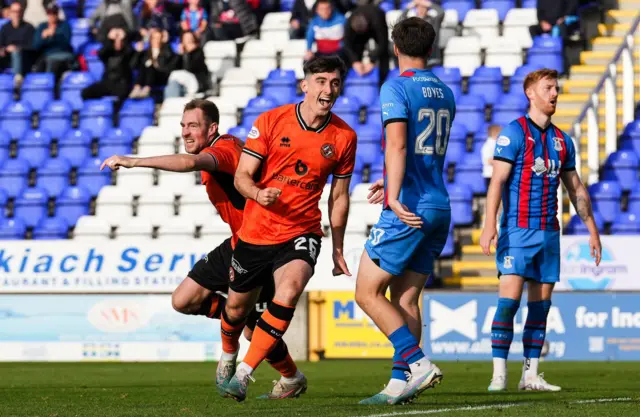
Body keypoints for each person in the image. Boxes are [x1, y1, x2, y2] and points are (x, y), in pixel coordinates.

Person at [100, 99, 305, 400]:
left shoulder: (221, 151)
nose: (185, 132)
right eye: (183, 126)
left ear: (212, 128)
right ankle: (239, 322)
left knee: (251, 331)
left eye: (193, 125)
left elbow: (190, 163)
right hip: (238, 241)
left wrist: (134, 161)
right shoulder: (222, 146)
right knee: (184, 299)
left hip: (260, 247)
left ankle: (291, 377)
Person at [218, 55, 357, 402]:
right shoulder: (270, 121)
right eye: (322, 81)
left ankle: (244, 374)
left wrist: (337, 247)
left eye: (335, 82)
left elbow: (339, 197)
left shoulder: (344, 137)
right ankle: (231, 354)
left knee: (290, 287)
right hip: (256, 232)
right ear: (305, 85)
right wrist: (258, 194)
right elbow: (241, 177)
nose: (329, 89)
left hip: (302, 230)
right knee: (236, 311)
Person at [479, 68, 602, 392]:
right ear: (530, 93)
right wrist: (489, 223)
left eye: (557, 88)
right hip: (517, 231)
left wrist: (591, 229)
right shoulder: (514, 133)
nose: (555, 93)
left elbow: (575, 189)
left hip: (549, 233)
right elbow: (497, 182)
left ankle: (530, 375)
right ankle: (499, 374)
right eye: (548, 87)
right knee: (509, 302)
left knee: (541, 307)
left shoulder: (563, 140)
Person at [353, 17, 455, 405]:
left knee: (366, 291)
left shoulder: (395, 86)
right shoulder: (445, 91)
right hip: (438, 202)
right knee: (407, 300)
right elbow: (424, 152)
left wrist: (393, 194)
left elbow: (396, 145)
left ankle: (418, 363)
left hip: (409, 205)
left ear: (395, 47)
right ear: (430, 49)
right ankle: (401, 382)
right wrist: (391, 182)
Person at [81, 27, 135, 102]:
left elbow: (130, 51)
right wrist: (109, 39)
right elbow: (101, 53)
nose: (118, 42)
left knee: (121, 97)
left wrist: (124, 38)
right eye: (115, 41)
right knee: (86, 92)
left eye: (120, 41)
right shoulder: (108, 54)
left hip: (122, 84)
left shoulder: (127, 53)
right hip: (107, 82)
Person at [343, 3, 389, 86]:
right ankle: (353, 80)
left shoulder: (377, 20)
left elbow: (383, 43)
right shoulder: (349, 22)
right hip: (359, 31)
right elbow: (346, 44)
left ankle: (383, 81)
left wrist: (372, 61)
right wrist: (355, 61)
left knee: (384, 53)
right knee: (355, 49)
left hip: (376, 27)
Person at [130, 26, 177, 98]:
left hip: (160, 75)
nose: (156, 40)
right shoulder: (146, 52)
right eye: (154, 38)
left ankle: (146, 89)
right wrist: (138, 53)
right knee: (144, 67)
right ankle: (137, 88)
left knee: (150, 67)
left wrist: (165, 44)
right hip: (146, 77)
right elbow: (133, 65)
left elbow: (166, 65)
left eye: (159, 38)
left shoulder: (166, 50)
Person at [32, 3, 74, 78]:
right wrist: (43, 37)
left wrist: (54, 35)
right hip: (46, 56)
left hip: (62, 55)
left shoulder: (65, 25)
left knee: (52, 63)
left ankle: (52, 85)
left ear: (57, 13)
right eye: (49, 13)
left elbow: (66, 42)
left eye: (54, 13)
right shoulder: (42, 26)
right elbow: (35, 45)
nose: (52, 15)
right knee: (39, 67)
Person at [164, 31, 210, 99]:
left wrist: (187, 54)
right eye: (186, 38)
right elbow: (170, 68)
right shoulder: (180, 54)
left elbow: (190, 68)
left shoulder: (198, 52)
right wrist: (180, 54)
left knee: (175, 76)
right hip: (182, 83)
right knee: (173, 84)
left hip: (197, 82)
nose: (188, 40)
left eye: (190, 38)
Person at [0, 1, 34, 87]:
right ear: (10, 13)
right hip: (7, 58)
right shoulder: (5, 28)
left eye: (19, 11)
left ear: (22, 13)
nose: (16, 14)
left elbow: (32, 47)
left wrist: (17, 48)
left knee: (16, 53)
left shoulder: (29, 28)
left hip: (24, 59)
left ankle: (17, 82)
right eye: (14, 12)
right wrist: (5, 49)